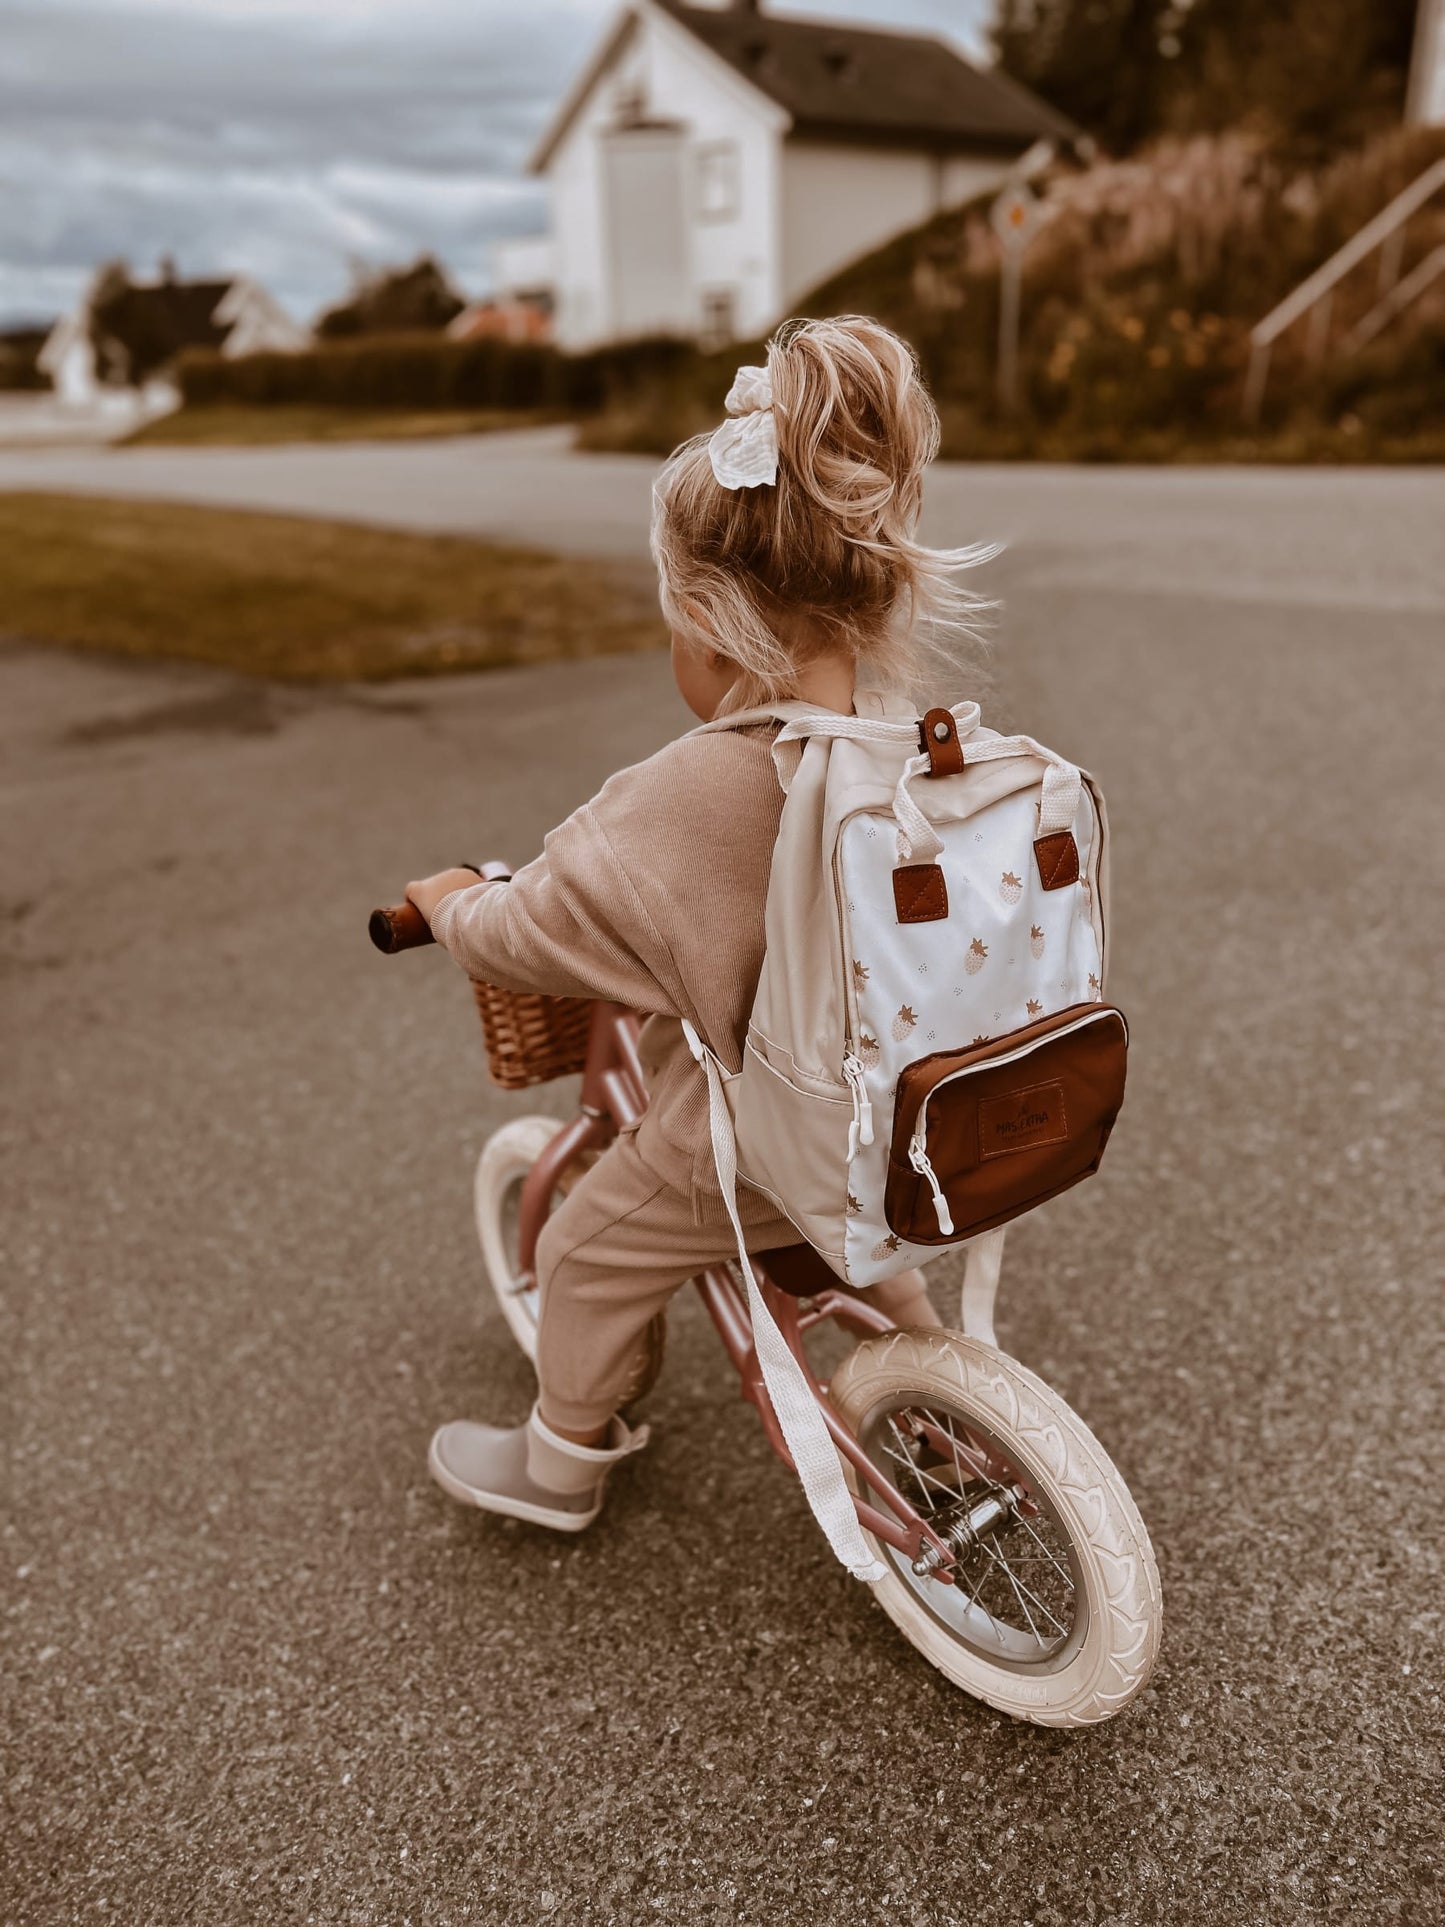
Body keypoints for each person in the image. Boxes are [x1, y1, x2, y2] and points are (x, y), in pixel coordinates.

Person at [404, 315, 993, 1532]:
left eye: (673, 619)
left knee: (578, 1251)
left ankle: (558, 1464)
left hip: (754, 1141)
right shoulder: (910, 745)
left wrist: (456, 909)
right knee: (866, 1257)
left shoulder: (694, 791)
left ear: (713, 625)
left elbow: (540, 926)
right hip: (907, 1111)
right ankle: (954, 1425)